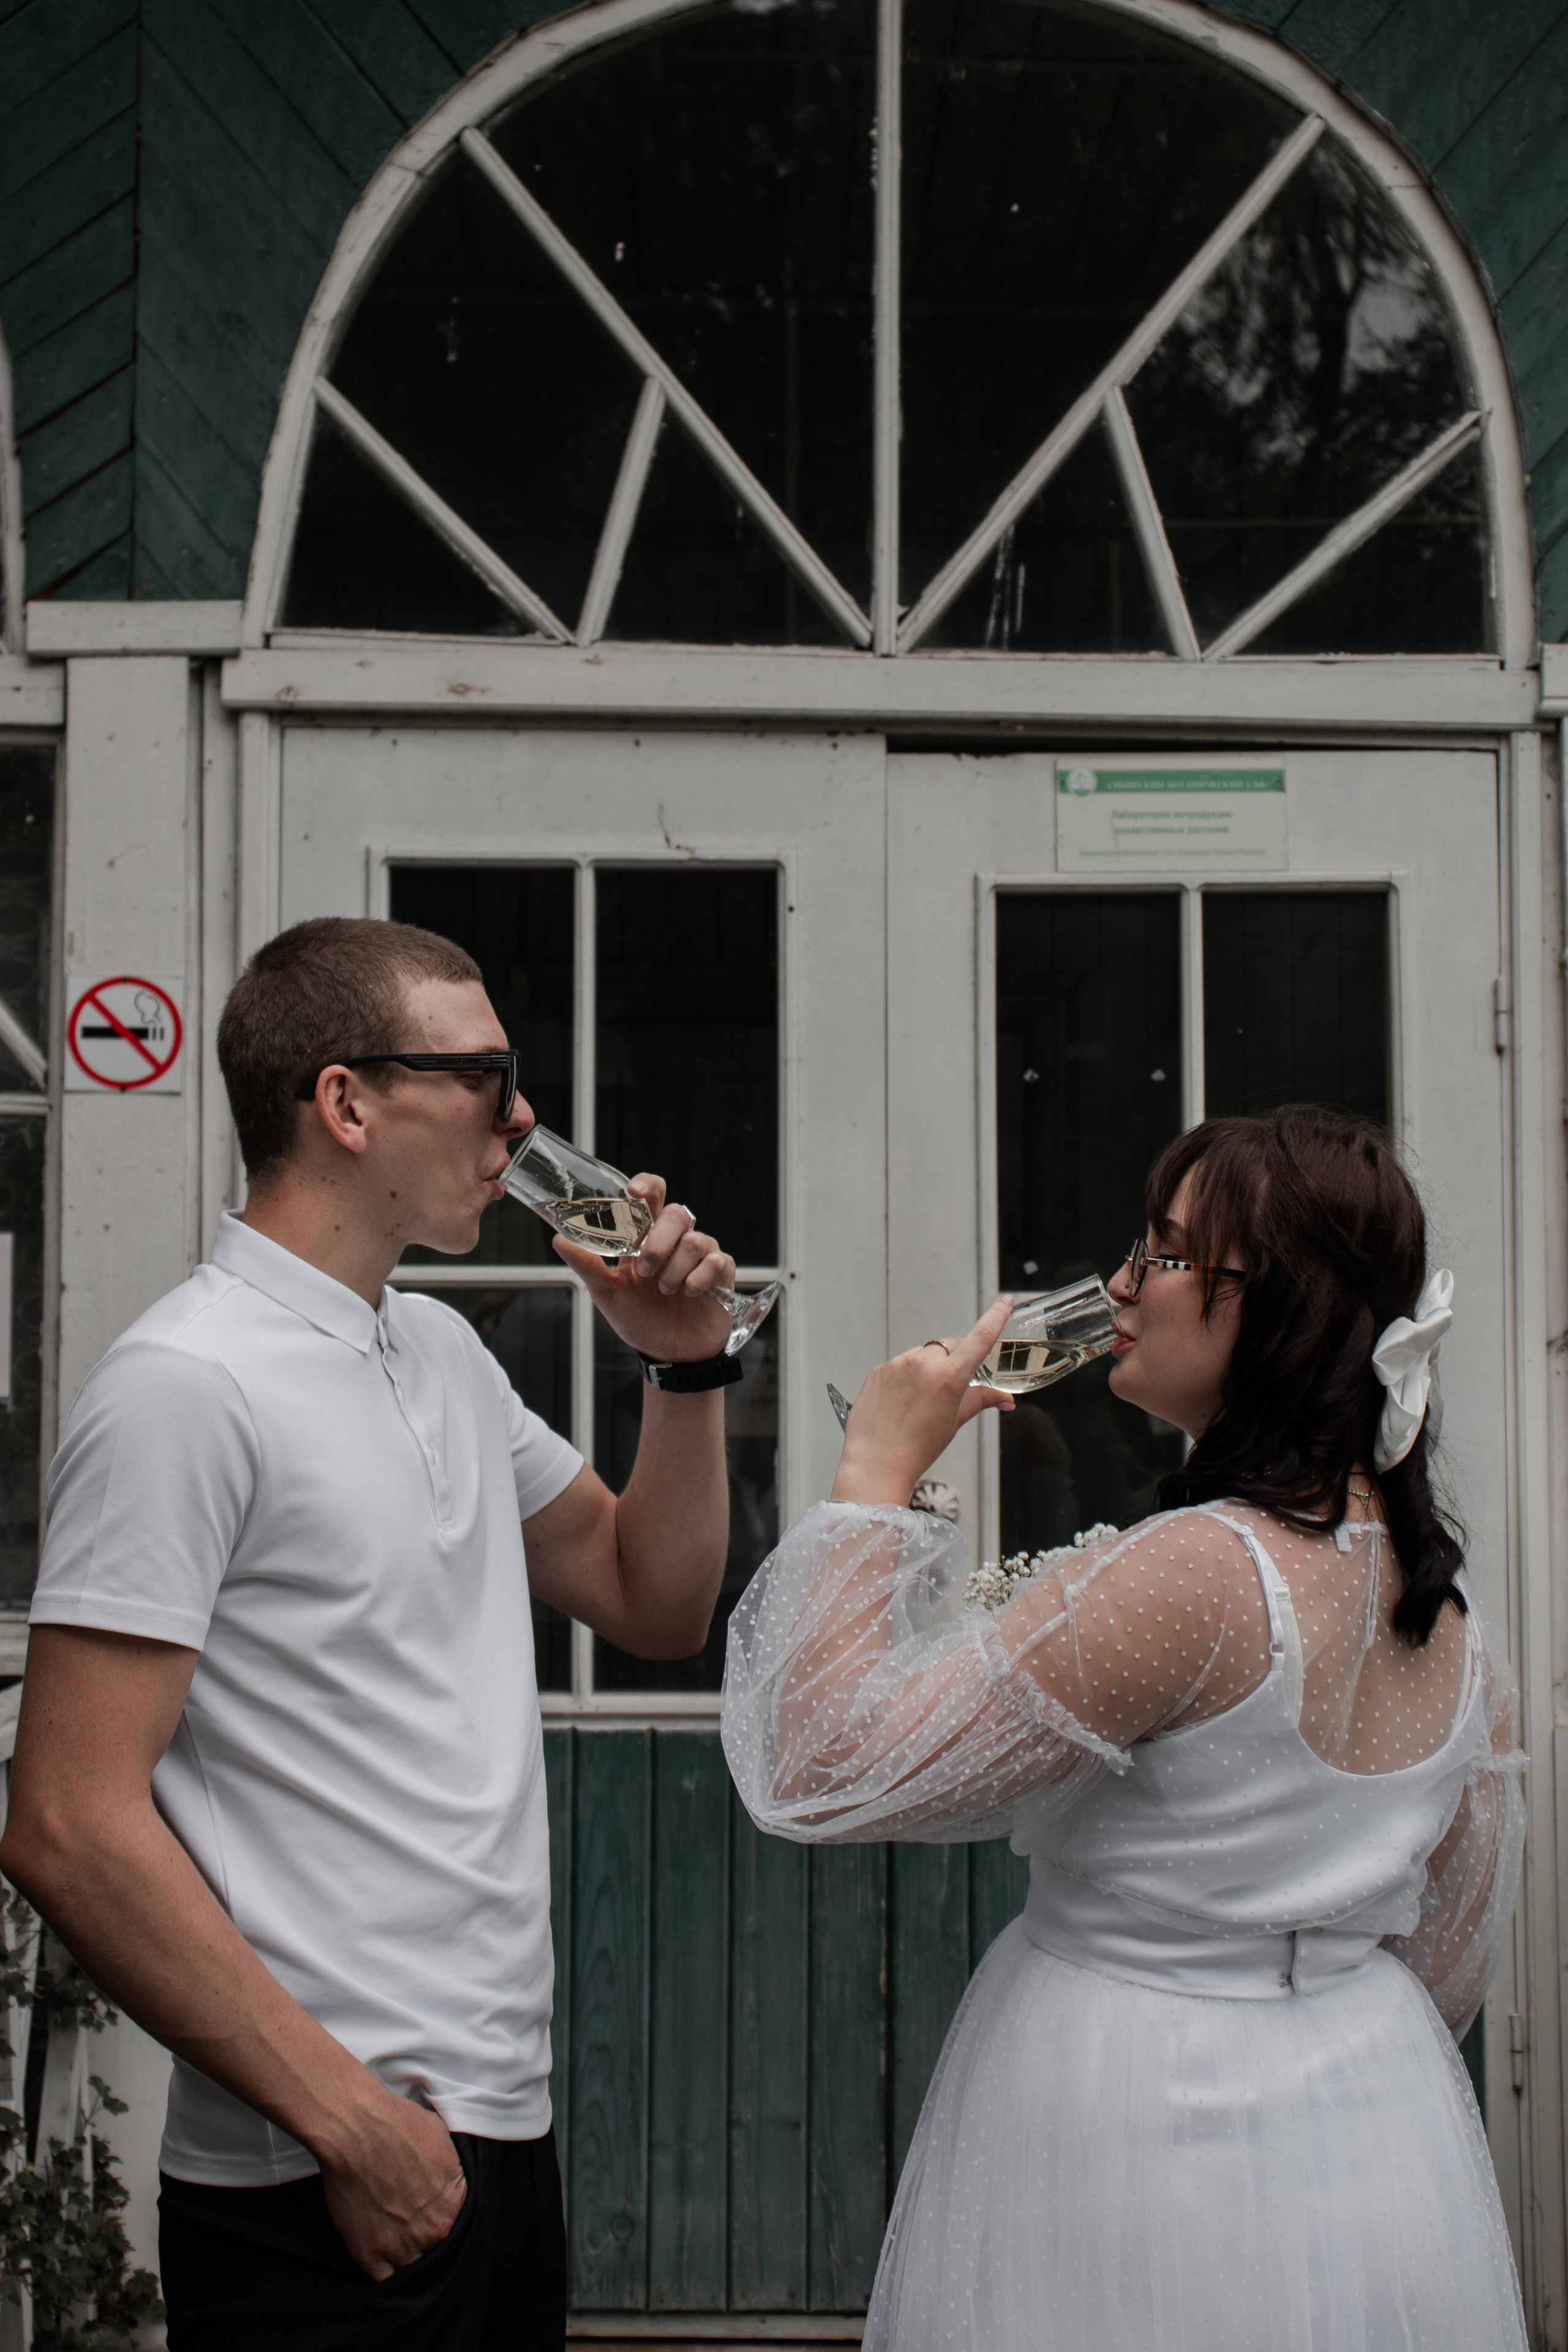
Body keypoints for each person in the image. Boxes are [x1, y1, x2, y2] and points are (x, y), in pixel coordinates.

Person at [1, 916, 744, 2351]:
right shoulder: (185, 1385)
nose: (523, 1118)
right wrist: (353, 2128)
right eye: (484, 1076)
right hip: (322, 2168)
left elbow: (650, 1598)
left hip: (495, 2131)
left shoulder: (436, 1351)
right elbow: (66, 1823)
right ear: (343, 1102)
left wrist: (685, 1368)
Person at [723, 1109, 1527, 2351]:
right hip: (1375, 2117)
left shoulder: (1195, 1575)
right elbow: (1454, 1942)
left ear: (1281, 1308)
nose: (1117, 1288)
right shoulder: (1448, 1611)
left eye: (1160, 1254)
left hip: (1135, 2109)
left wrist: (873, 1477)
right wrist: (1306, 2020)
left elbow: (820, 1770)